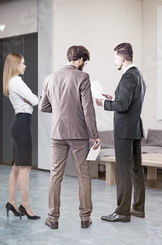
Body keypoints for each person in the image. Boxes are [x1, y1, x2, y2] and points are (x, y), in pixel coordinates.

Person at [40, 45, 101, 230]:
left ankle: (52, 218)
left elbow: (43, 106)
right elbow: (88, 110)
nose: (85, 65)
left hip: (57, 133)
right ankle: (84, 218)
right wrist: (95, 135)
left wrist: (60, 110)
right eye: (85, 62)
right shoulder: (83, 77)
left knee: (55, 175)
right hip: (78, 134)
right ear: (81, 60)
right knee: (83, 176)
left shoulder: (49, 78)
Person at [96, 42, 146, 223]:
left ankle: (122, 212)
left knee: (123, 171)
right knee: (136, 170)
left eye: (115, 58)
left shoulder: (127, 77)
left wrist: (104, 103)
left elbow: (123, 106)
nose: (114, 61)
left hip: (124, 131)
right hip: (135, 129)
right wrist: (114, 98)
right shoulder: (138, 75)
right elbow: (128, 101)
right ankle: (138, 209)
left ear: (122, 58)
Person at [3, 53, 40, 220]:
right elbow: (34, 100)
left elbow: (31, 101)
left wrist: (29, 100)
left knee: (17, 167)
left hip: (19, 125)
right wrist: (29, 100)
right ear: (16, 64)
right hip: (22, 126)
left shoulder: (12, 82)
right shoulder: (16, 81)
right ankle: (25, 205)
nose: (25, 66)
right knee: (25, 168)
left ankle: (12, 202)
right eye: (23, 63)